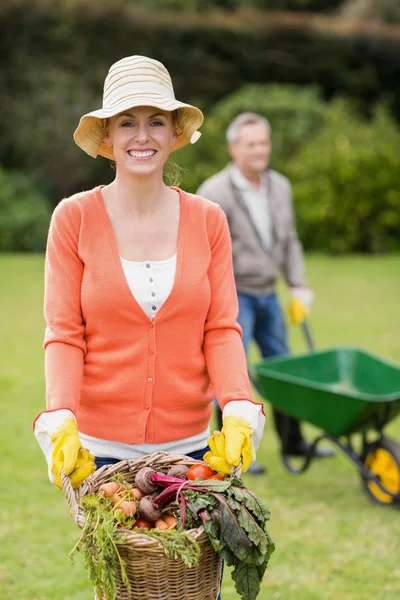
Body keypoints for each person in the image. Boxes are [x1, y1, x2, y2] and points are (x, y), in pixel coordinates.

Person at [33, 56, 265, 598]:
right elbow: (64, 332)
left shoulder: (209, 220)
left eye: (156, 120)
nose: (143, 135)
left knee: (189, 588)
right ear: (108, 137)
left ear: (174, 133)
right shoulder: (74, 218)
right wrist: (61, 418)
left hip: (189, 456)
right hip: (101, 456)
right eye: (127, 122)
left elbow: (221, 328)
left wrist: (237, 407)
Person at [197, 112, 334, 474]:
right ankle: (231, 451)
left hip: (269, 295)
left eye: (263, 142)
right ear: (233, 148)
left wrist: (299, 285)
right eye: (251, 143)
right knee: (231, 374)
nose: (259, 150)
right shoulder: (214, 192)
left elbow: (289, 240)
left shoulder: (280, 186)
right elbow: (202, 251)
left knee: (283, 370)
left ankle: (294, 442)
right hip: (234, 297)